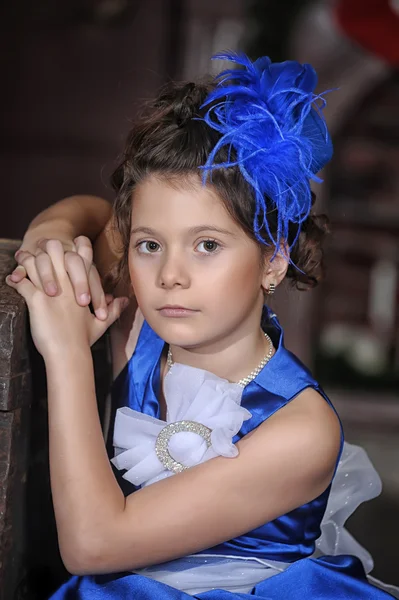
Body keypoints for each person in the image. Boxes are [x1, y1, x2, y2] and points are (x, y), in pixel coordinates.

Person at [6, 52, 399, 599]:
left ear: (273, 261)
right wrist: (46, 237)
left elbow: (92, 545)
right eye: (150, 245)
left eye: (207, 245)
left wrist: (68, 355)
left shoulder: (302, 429)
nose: (170, 276)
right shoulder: (145, 317)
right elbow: (94, 213)